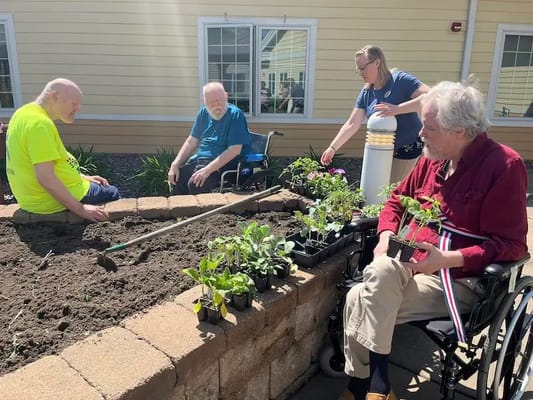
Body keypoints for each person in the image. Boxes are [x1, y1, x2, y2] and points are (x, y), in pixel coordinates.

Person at [339, 81, 528, 400]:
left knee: (359, 296)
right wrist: (386, 235)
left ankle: (364, 386)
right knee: (379, 275)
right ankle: (378, 388)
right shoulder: (433, 157)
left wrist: (447, 259)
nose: (420, 135)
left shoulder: (504, 166)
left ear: (461, 130)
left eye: (430, 127)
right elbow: (397, 200)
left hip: (457, 280)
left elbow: (511, 246)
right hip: (406, 264)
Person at [5, 78, 119, 222]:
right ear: (54, 97)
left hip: (32, 198)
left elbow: (41, 164)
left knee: (99, 184)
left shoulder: (23, 113)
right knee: (112, 193)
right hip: (46, 201)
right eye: (74, 103)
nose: (77, 109)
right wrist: (81, 209)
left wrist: (82, 177)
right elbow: (46, 178)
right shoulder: (40, 125)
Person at [321, 45, 430, 184]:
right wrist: (332, 147)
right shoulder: (367, 92)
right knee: (375, 186)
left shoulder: (399, 80)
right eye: (358, 69)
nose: (360, 72)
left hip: (408, 146)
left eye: (363, 68)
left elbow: (430, 96)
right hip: (381, 148)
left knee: (391, 191)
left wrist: (397, 109)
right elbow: (352, 123)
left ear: (377, 62)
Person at [167, 82, 251, 195]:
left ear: (225, 96)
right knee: (177, 178)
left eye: (219, 100)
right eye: (212, 102)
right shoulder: (203, 113)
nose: (216, 105)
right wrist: (175, 164)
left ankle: (201, 210)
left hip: (225, 165)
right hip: (202, 161)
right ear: (205, 101)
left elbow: (234, 150)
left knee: (195, 183)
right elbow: (192, 141)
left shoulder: (235, 115)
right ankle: (184, 211)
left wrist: (207, 170)